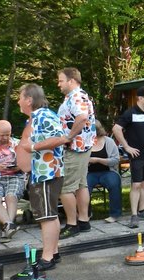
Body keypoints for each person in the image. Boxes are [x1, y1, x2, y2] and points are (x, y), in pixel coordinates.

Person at [16, 83, 66, 271]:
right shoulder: (36, 117)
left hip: (47, 173)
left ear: (29, 100)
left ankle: (46, 258)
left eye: (21, 97)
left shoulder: (43, 115)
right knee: (50, 215)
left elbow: (60, 138)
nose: (18, 101)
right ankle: (53, 252)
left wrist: (33, 147)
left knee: (46, 217)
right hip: (44, 172)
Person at [56, 67, 96, 239]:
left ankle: (72, 224)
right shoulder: (77, 96)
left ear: (71, 81)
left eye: (61, 80)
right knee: (81, 185)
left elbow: (81, 117)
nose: (58, 84)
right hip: (82, 146)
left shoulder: (76, 97)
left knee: (65, 188)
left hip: (75, 147)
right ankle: (84, 220)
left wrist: (68, 137)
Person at [113, 86, 144, 227]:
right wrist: (126, 147)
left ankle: (142, 210)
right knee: (136, 184)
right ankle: (134, 215)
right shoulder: (130, 113)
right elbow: (116, 129)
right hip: (137, 155)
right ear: (140, 98)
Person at [0, 120, 26, 243]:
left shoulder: (18, 145)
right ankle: (9, 225)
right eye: (2, 135)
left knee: (11, 196)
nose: (5, 138)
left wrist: (19, 166)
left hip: (15, 176)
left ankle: (7, 228)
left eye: (8, 134)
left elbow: (28, 165)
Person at [87, 120, 122, 224]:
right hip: (89, 173)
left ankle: (115, 214)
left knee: (113, 183)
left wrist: (98, 160)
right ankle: (86, 214)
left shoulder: (108, 141)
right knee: (83, 186)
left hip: (108, 171)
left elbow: (116, 160)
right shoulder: (84, 142)